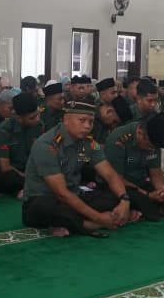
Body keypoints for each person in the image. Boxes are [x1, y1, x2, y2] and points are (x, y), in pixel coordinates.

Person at [20, 100, 132, 237]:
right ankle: (90, 224)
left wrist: (124, 201)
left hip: (74, 196)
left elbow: (110, 174)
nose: (87, 126)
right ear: (66, 120)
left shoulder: (89, 143)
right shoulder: (47, 145)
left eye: (91, 122)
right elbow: (61, 193)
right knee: (51, 208)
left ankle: (79, 222)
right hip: (45, 200)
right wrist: (98, 218)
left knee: (115, 195)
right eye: (82, 120)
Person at [103, 113, 164, 220]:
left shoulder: (154, 142)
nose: (152, 150)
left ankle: (152, 209)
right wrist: (148, 195)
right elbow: (116, 179)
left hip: (141, 184)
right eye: (150, 146)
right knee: (133, 197)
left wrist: (163, 191)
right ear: (140, 133)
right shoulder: (119, 139)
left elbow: (156, 173)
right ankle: (159, 209)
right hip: (121, 187)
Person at [0, 92, 44, 196]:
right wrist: (27, 176)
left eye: (38, 115)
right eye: (32, 118)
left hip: (30, 169)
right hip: (12, 172)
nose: (37, 119)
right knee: (7, 178)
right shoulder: (4, 131)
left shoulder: (39, 126)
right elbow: (5, 167)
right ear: (19, 118)